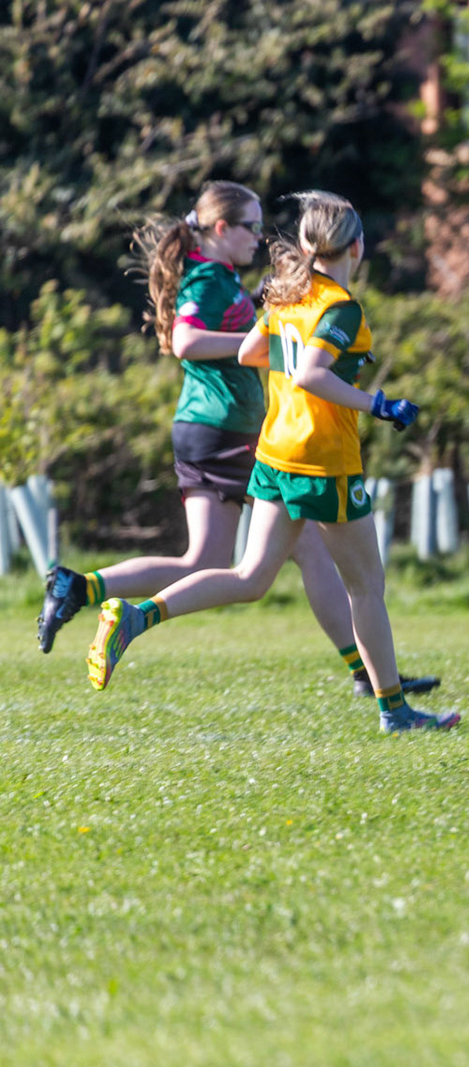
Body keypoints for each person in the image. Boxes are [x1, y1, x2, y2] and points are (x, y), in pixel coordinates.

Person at [35, 180, 438, 701]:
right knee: (348, 578)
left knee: (253, 571)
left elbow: (252, 353)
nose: (257, 235)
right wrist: (372, 400)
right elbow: (195, 343)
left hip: (266, 445)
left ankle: (126, 612)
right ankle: (384, 694)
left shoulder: (278, 295)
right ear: (356, 247)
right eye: (250, 225)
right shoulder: (235, 285)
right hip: (253, 437)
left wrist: (287, 344)